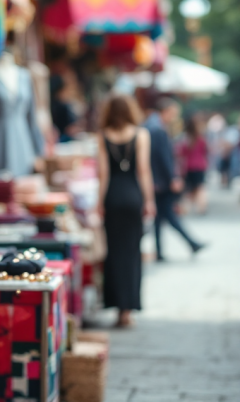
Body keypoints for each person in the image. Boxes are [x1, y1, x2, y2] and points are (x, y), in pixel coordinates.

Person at [97, 94, 155, 328]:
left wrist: (98, 203)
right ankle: (128, 309)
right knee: (132, 253)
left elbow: (103, 174)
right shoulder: (141, 135)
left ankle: (116, 307)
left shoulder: (102, 136)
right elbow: (143, 171)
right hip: (133, 197)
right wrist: (149, 200)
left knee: (114, 252)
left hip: (112, 197)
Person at [144, 98, 206, 261]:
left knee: (160, 216)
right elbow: (163, 157)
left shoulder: (151, 125)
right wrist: (173, 178)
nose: (174, 117)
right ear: (166, 111)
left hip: (156, 180)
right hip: (160, 181)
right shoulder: (158, 128)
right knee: (168, 214)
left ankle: (162, 250)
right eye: (173, 113)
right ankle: (190, 242)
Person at [177, 114, 209, 215]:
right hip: (200, 166)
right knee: (199, 187)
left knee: (190, 189)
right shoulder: (201, 138)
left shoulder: (186, 138)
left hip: (189, 167)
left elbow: (180, 153)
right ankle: (201, 207)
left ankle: (185, 208)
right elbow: (206, 151)